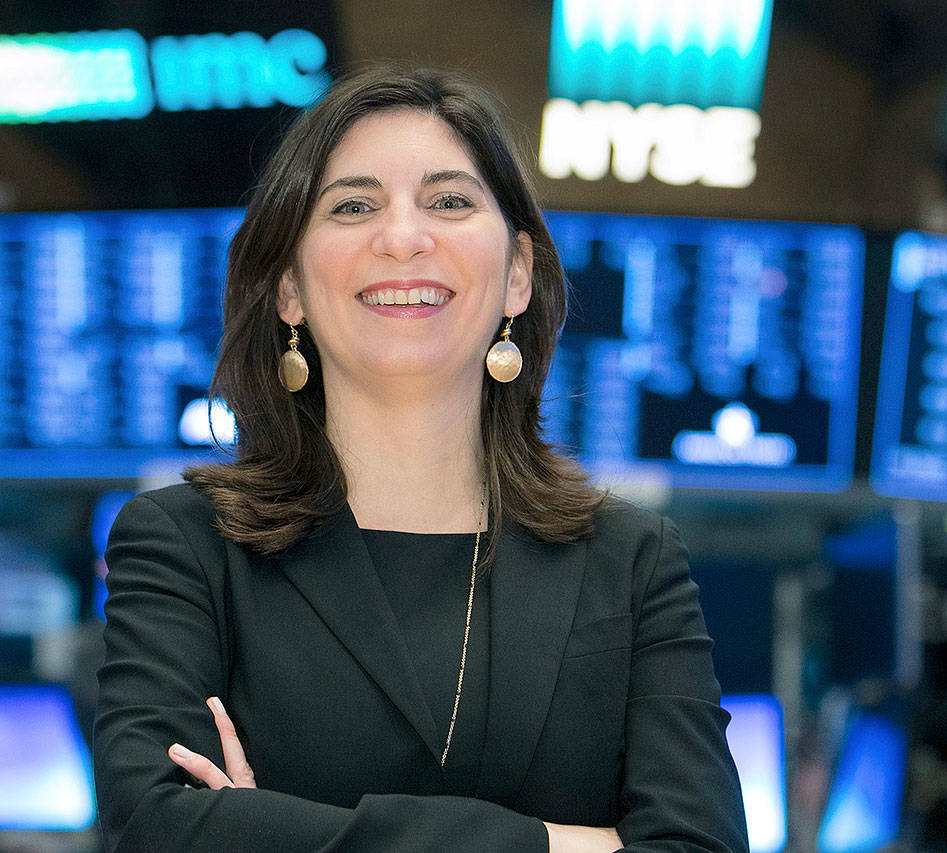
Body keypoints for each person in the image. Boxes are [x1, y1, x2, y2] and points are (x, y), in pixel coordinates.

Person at [95, 64, 748, 852]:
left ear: (517, 275)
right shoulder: (186, 545)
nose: (403, 236)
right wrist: (572, 843)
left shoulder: (631, 561)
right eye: (353, 205)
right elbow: (159, 828)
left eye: (449, 201)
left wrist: (262, 827)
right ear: (289, 290)